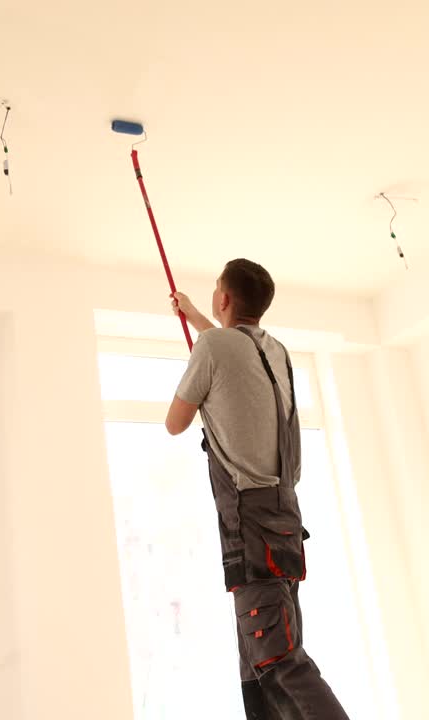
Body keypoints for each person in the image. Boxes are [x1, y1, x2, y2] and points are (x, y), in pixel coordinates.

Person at [165, 259, 349, 720]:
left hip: (249, 526)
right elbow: (230, 351)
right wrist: (192, 317)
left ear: (224, 298)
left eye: (214, 290)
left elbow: (175, 422)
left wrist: (199, 350)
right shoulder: (276, 351)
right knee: (258, 668)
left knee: (279, 661)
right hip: (284, 519)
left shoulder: (211, 347)